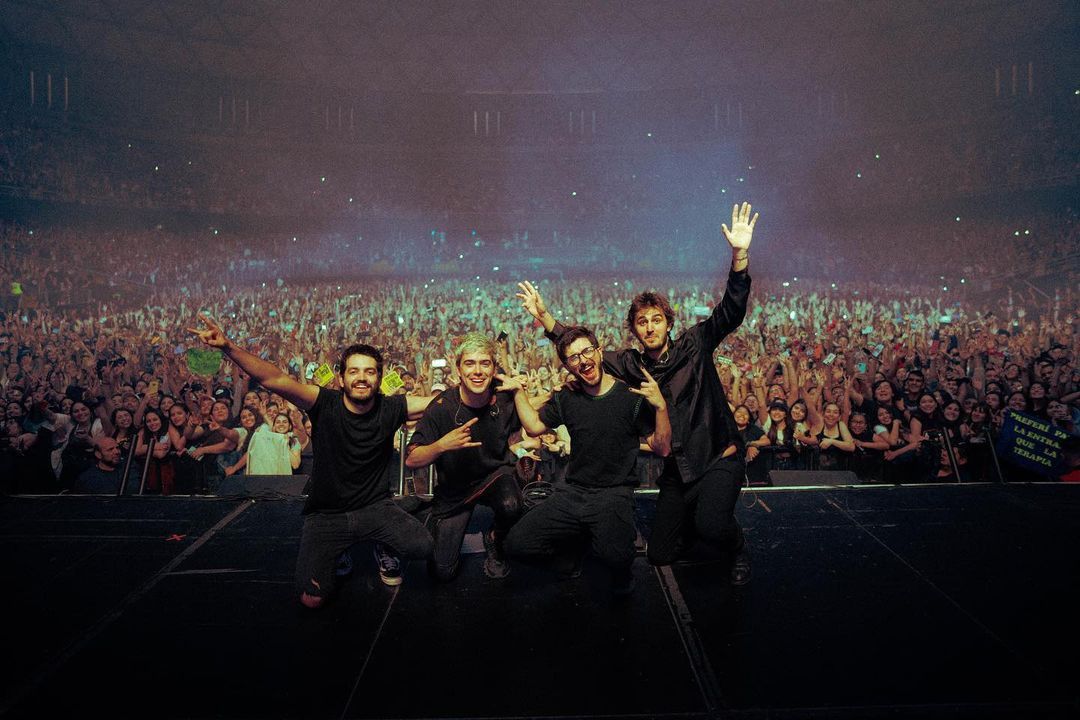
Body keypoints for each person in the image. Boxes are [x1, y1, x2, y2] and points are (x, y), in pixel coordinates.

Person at [517, 201, 758, 585]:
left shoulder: (695, 344)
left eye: (656, 319)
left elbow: (730, 310)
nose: (649, 327)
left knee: (713, 526)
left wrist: (740, 256)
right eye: (642, 321)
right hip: (679, 469)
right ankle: (696, 524)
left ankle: (736, 546)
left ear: (668, 323)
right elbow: (582, 351)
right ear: (634, 329)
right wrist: (545, 317)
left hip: (717, 458)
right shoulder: (629, 364)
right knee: (660, 554)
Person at [189, 314, 434, 609]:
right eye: (354, 371)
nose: (362, 377)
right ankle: (339, 549)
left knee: (423, 546)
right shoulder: (323, 402)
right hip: (327, 514)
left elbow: (441, 401)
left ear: (379, 379)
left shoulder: (392, 406)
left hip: (374, 507)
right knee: (311, 600)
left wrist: (482, 380)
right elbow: (275, 379)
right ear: (341, 378)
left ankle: (384, 544)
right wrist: (228, 347)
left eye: (370, 372)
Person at [499, 326, 671, 596]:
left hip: (613, 493)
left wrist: (660, 407)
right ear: (568, 366)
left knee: (615, 559)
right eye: (574, 357)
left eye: (587, 351)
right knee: (516, 544)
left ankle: (607, 552)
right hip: (573, 492)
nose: (583, 360)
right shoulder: (567, 397)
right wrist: (519, 392)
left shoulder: (630, 397)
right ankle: (573, 551)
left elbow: (662, 448)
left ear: (599, 352)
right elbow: (533, 427)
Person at [405, 333, 525, 581]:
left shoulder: (504, 398)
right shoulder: (441, 407)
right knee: (442, 573)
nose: (478, 371)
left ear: (494, 369)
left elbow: (527, 425)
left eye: (485, 363)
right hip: (456, 490)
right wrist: (441, 445)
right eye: (470, 363)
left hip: (494, 476)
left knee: (511, 505)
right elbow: (412, 459)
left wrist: (534, 393)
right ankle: (433, 522)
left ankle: (494, 538)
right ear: (458, 370)